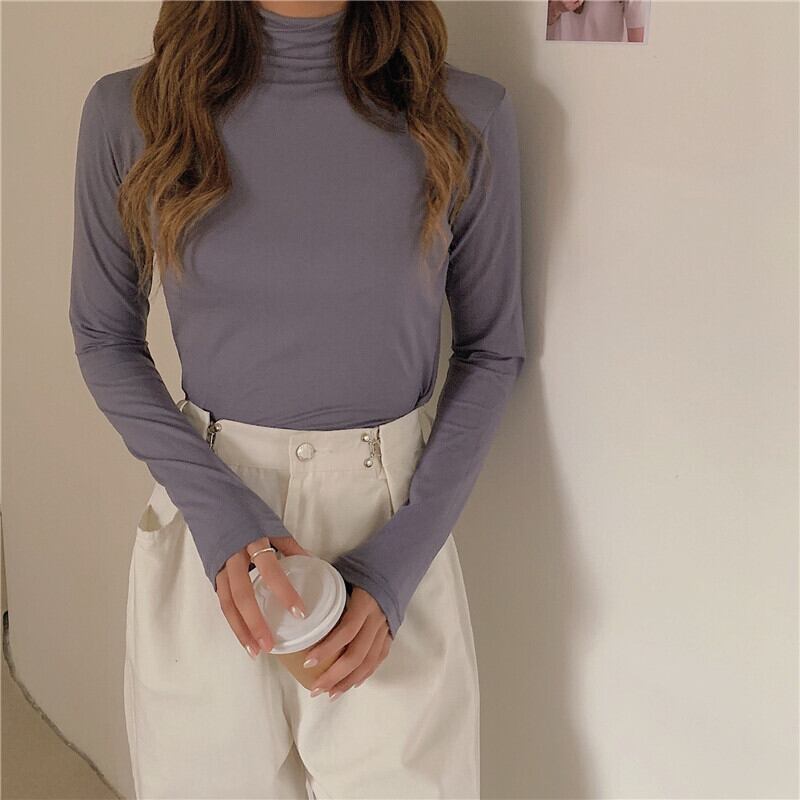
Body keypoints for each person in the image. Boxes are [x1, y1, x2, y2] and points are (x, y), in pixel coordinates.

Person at [68, 1, 526, 797]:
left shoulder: (462, 117)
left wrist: (392, 571)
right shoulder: (133, 112)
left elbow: (493, 350)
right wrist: (222, 519)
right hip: (211, 530)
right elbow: (104, 337)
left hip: (392, 531)